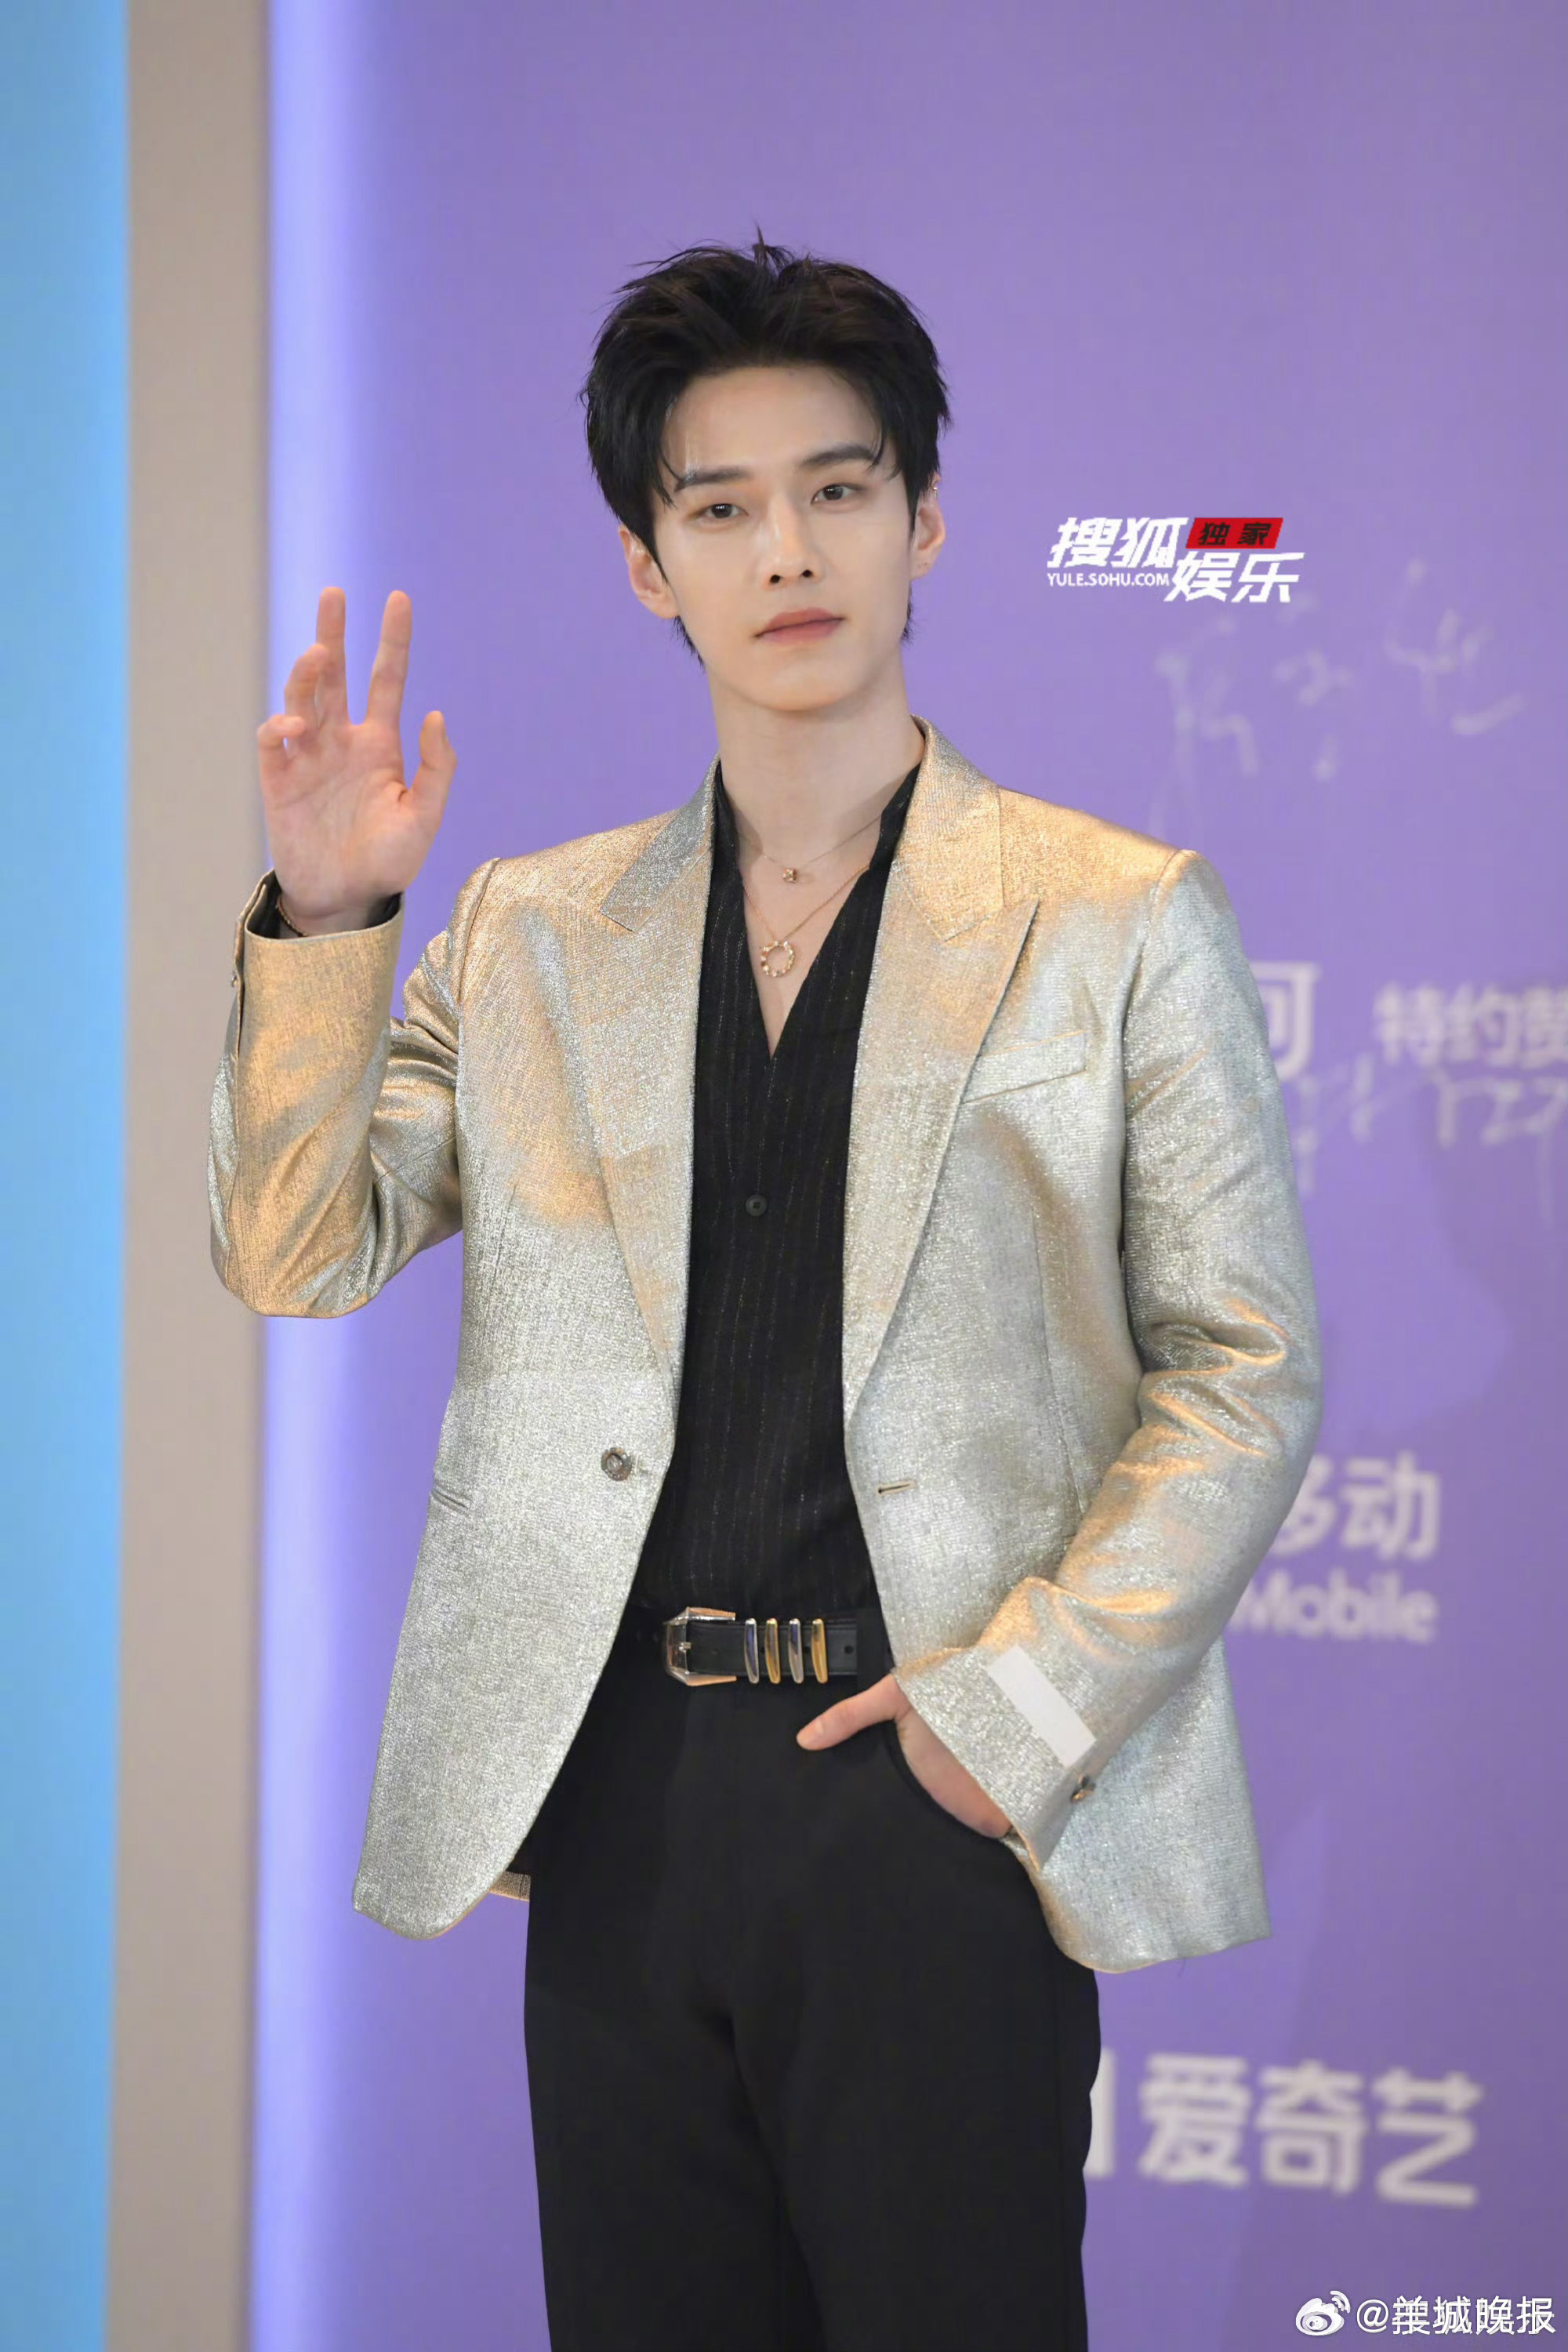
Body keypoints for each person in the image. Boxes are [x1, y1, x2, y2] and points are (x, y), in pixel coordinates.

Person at [210, 238, 1320, 2351]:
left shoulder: (1112, 916)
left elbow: (1242, 1368)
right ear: (650, 566)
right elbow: (295, 1243)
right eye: (719, 507)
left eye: (836, 489)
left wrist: (1010, 1725)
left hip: (933, 1790)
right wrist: (334, 918)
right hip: (618, 1800)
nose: (786, 551)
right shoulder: (530, 939)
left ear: (924, 523)